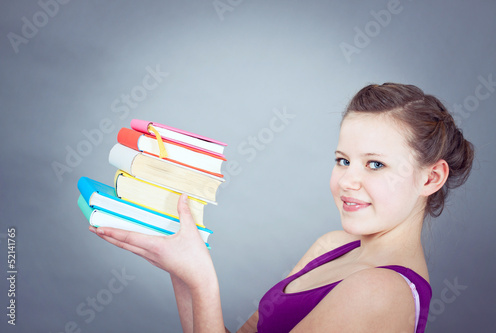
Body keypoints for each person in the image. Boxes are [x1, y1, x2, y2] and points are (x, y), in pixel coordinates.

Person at [89, 83, 474, 332]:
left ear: (430, 178)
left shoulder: (380, 291)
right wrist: (184, 270)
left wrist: (204, 279)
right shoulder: (331, 245)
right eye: (343, 160)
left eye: (375, 164)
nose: (347, 181)